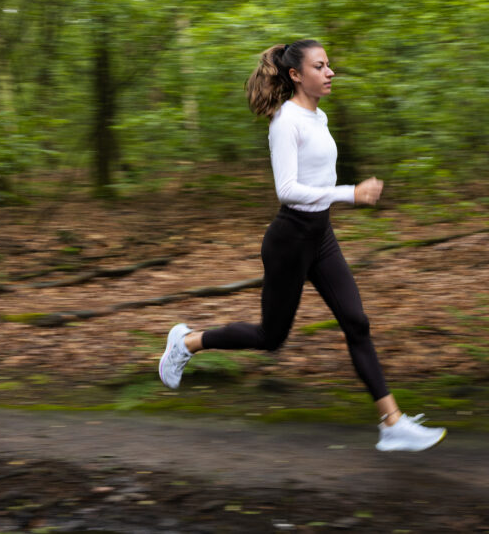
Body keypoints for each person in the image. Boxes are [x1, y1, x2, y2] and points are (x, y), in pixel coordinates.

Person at [159, 39, 445, 452]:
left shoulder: (320, 117)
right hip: (289, 241)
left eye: (329, 65)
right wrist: (351, 193)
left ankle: (392, 422)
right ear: (296, 75)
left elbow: (318, 183)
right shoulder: (285, 121)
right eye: (320, 66)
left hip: (320, 237)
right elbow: (289, 190)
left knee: (356, 322)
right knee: (271, 338)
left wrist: (339, 196)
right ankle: (186, 342)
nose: (330, 72)